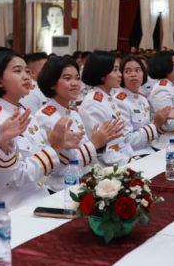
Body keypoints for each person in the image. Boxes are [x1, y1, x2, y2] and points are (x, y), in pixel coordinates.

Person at [0, 49, 81, 209]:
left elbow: (41, 159)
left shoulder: (25, 114)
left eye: (27, 71)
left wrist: (61, 145)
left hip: (39, 198)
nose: (26, 76)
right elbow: (16, 177)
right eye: (17, 71)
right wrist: (54, 149)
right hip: (14, 207)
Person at [31, 56, 122, 190]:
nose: (75, 83)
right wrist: (95, 144)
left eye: (77, 78)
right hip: (62, 186)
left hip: (83, 179)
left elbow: (84, 152)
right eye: (67, 78)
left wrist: (100, 143)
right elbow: (63, 166)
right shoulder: (46, 117)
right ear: (52, 84)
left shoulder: (72, 112)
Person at [77, 51, 132, 165]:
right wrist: (130, 162)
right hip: (106, 166)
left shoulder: (107, 98)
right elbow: (101, 150)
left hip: (121, 157)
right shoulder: (93, 104)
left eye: (119, 70)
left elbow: (122, 139)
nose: (120, 74)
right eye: (115, 70)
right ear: (102, 75)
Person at [114, 54, 174, 156]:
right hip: (132, 155)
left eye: (137, 70)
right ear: (121, 75)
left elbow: (149, 129)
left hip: (149, 150)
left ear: (143, 74)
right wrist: (155, 125)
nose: (133, 74)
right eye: (128, 71)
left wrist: (164, 117)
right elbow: (127, 141)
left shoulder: (143, 99)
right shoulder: (119, 101)